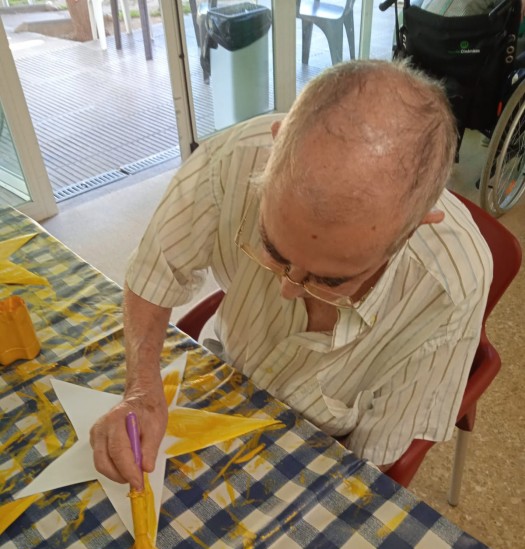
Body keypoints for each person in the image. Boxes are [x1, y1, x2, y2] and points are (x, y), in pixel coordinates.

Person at [90, 59, 492, 490]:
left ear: (413, 229)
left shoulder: (453, 284)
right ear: (276, 144)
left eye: (331, 281)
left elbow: (372, 461)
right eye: (273, 249)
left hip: (327, 439)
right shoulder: (231, 159)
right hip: (227, 363)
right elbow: (155, 272)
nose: (287, 288)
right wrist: (141, 389)